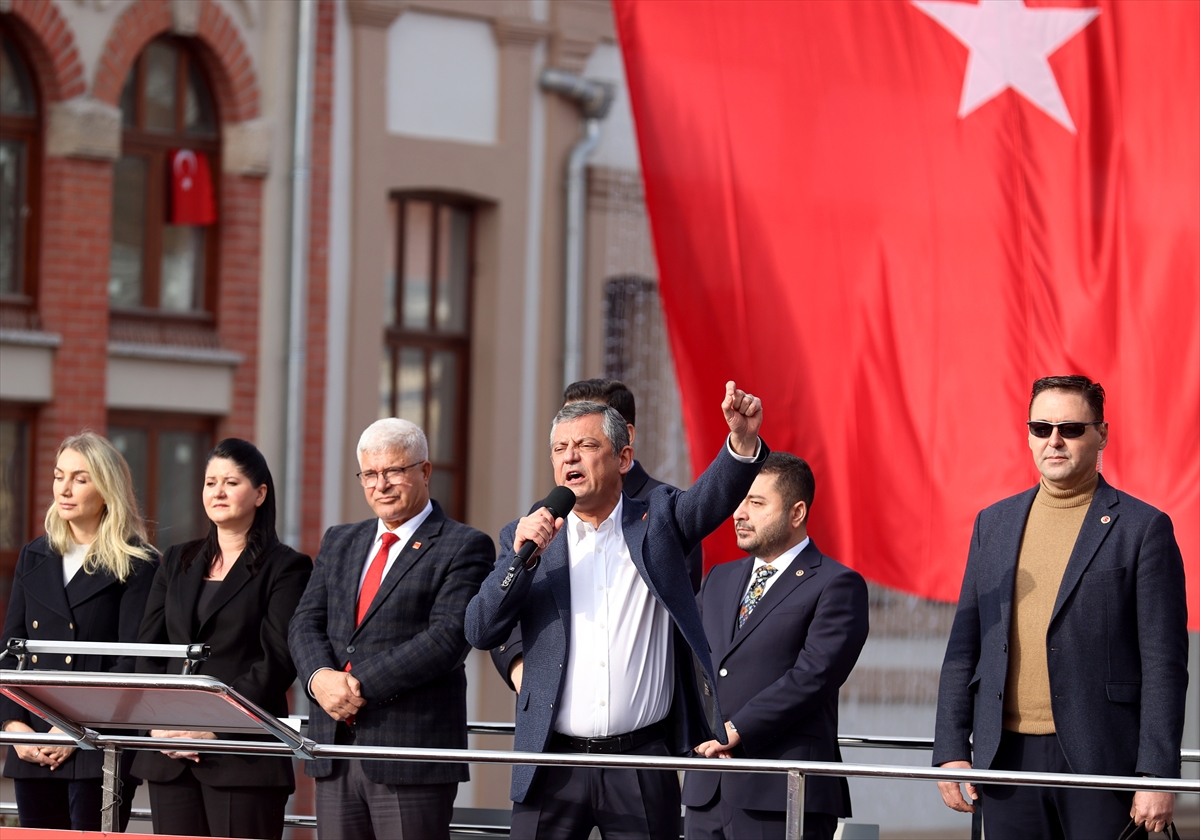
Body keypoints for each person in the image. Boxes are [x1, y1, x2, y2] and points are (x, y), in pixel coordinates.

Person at [465, 381, 767, 840]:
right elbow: (481, 628)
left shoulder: (658, 521)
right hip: (552, 761)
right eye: (560, 448)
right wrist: (520, 557)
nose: (570, 457)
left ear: (624, 458)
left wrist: (742, 444)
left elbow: (709, 500)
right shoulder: (526, 538)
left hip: (639, 762)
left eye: (587, 445)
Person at [933, 375, 1189, 839]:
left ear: (1102, 434)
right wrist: (951, 747)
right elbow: (963, 647)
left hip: (1102, 761)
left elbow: (1164, 664)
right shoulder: (994, 523)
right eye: (1040, 427)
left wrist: (1157, 774)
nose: (1054, 440)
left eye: (1071, 428)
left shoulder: (1144, 528)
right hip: (1006, 762)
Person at [288, 418, 495, 840]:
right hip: (334, 748)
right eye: (370, 474)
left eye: (394, 471)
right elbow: (305, 621)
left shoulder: (464, 545)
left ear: (424, 471)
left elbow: (447, 639)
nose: (381, 484)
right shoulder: (340, 540)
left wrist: (354, 686)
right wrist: (318, 679)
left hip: (410, 753)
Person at [683, 452, 869, 840]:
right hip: (708, 789)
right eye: (738, 500)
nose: (739, 513)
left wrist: (738, 728)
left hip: (783, 790)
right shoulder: (719, 578)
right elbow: (693, 662)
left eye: (756, 502)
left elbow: (813, 676)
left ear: (797, 512)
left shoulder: (836, 584)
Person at [133, 438, 312, 840]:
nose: (217, 491)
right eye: (210, 481)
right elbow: (149, 649)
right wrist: (158, 726)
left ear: (260, 493)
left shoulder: (286, 567)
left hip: (241, 753)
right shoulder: (177, 560)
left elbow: (278, 661)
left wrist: (211, 726)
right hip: (169, 753)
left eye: (230, 482)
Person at [491, 378, 705, 695]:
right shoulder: (544, 518)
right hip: (554, 715)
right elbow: (498, 612)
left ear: (624, 440)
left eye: (586, 439)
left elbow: (673, 615)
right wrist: (519, 665)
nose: (571, 453)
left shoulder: (667, 511)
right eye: (562, 440)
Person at [0, 432, 158, 831]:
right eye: (58, 476)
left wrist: (70, 730)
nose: (64, 489)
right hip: (34, 743)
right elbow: (11, 650)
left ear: (107, 490)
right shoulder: (34, 554)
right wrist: (13, 726)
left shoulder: (137, 563)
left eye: (80, 478)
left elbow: (132, 661)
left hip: (97, 745)